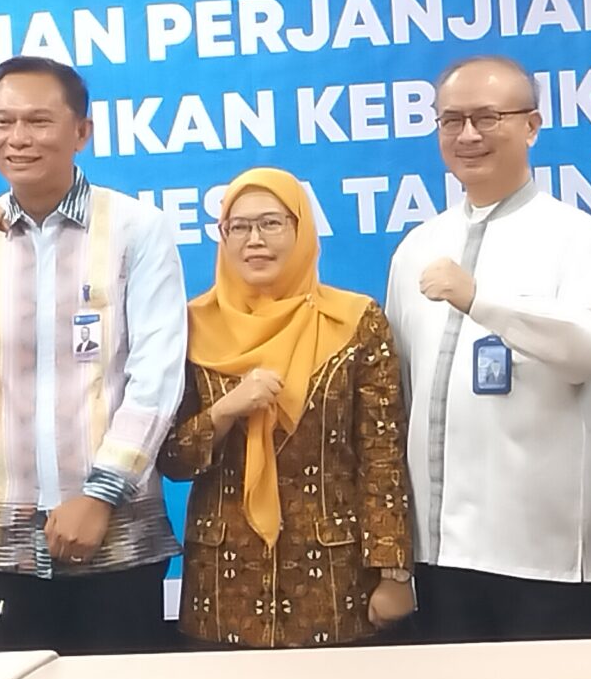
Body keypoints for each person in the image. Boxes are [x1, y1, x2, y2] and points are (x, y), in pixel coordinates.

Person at [0, 56, 188, 655]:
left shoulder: (136, 228)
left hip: (115, 528)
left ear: (81, 132)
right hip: (2, 536)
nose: (18, 138)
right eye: (3, 122)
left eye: (38, 121)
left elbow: (156, 377)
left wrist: (100, 495)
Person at [385, 55, 591, 641]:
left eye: (487, 118)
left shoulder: (580, 238)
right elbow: (399, 394)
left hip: (546, 554)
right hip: (440, 553)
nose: (468, 135)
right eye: (451, 120)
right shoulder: (417, 247)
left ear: (532, 126)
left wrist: (481, 300)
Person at [160, 167, 415, 648]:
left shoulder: (355, 322)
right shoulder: (191, 325)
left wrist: (394, 573)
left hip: (335, 582)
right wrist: (225, 411)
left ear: (302, 230)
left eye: (271, 224)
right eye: (238, 226)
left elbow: (382, 458)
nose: (254, 240)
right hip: (223, 586)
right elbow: (172, 459)